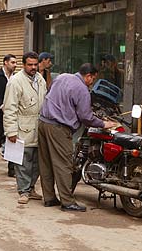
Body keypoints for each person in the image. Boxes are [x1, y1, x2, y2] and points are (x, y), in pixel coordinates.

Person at [38, 63, 116, 212]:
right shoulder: (82, 89)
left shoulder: (61, 77)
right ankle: (67, 202)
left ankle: (49, 198)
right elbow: (86, 117)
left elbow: (51, 94)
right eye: (93, 79)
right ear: (88, 76)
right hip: (58, 127)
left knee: (46, 162)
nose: (92, 82)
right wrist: (104, 123)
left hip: (43, 122)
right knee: (64, 164)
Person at [3, 52, 46, 204]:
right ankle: (24, 191)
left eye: (35, 64)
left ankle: (31, 187)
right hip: (22, 129)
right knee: (22, 163)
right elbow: (9, 108)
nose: (33, 67)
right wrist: (11, 131)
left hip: (39, 128)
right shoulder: (15, 82)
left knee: (37, 163)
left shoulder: (40, 79)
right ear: (23, 65)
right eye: (30, 65)